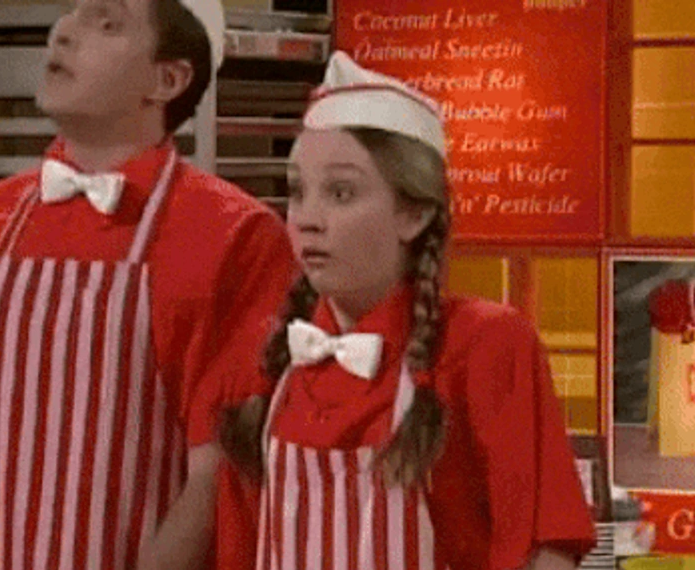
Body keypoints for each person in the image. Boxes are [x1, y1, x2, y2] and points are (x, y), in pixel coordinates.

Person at [0, 1, 298, 569]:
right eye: (72, 14)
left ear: (167, 80)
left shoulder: (236, 237)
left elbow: (214, 480)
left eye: (106, 23)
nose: (64, 33)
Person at [218, 52, 597, 570]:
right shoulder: (267, 364)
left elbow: (545, 551)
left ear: (414, 213)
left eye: (341, 193)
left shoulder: (484, 342)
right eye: (298, 192)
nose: (307, 219)